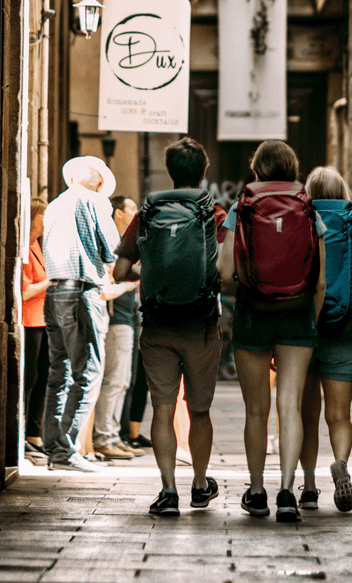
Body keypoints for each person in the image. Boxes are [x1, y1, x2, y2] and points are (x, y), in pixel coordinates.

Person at [113, 137, 225, 517]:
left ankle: (168, 490)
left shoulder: (147, 212)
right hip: (201, 324)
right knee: (200, 410)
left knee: (162, 410)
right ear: (203, 172)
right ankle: (199, 484)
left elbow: (120, 270)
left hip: (157, 325)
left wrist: (154, 272)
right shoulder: (215, 214)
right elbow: (226, 269)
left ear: (170, 171)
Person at [216, 140, 327, 523]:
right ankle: (286, 491)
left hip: (253, 310)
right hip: (297, 312)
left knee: (256, 409)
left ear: (258, 168)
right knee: (290, 406)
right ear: (292, 166)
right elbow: (321, 280)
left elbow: (226, 270)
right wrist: (307, 318)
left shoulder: (240, 206)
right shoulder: (307, 206)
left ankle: (258, 490)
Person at [297, 166, 352, 513]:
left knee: (306, 414)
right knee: (339, 414)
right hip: (342, 326)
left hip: (301, 329)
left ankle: (310, 487)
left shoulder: (302, 222)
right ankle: (341, 464)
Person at [40, 155, 124, 472]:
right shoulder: (93, 200)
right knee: (87, 373)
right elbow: (111, 248)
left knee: (58, 375)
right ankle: (66, 450)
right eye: (101, 177)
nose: (103, 184)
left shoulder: (55, 204)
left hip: (55, 291)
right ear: (90, 177)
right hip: (81, 292)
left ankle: (54, 448)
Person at [91, 195, 144, 462]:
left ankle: (113, 436)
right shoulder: (113, 240)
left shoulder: (125, 240)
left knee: (123, 381)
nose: (136, 212)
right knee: (114, 381)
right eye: (132, 208)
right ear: (118, 213)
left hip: (128, 315)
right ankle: (104, 438)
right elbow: (116, 273)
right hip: (116, 317)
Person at [22, 198, 50, 464]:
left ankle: (34, 435)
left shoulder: (37, 247)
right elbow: (26, 290)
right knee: (30, 378)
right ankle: (24, 434)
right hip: (31, 321)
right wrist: (50, 281)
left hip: (43, 321)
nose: (46, 221)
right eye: (42, 216)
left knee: (42, 378)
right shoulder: (25, 250)